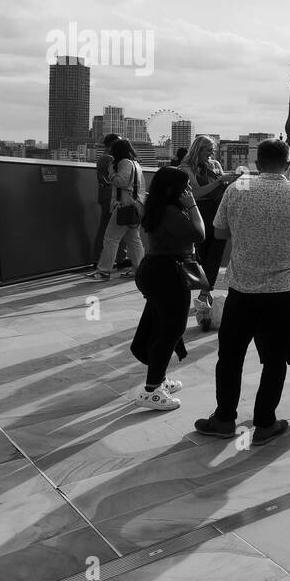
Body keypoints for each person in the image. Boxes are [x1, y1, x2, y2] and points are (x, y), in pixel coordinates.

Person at [193, 139, 290, 445]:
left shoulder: (238, 189)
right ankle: (265, 423)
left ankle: (225, 418)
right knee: (275, 358)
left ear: (257, 163)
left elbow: (220, 232)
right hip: (284, 290)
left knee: (230, 356)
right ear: (289, 164)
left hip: (243, 289)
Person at [129, 167, 205, 411]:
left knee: (160, 324)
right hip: (166, 273)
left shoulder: (157, 207)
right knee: (172, 329)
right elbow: (199, 234)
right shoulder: (171, 212)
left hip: (155, 270)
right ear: (174, 189)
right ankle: (152, 390)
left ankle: (158, 379)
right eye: (185, 186)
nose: (189, 190)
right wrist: (193, 206)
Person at [179, 135, 236, 329]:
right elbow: (195, 193)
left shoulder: (215, 164)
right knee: (203, 255)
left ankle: (205, 293)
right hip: (201, 213)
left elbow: (223, 188)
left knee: (216, 253)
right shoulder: (186, 168)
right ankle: (205, 293)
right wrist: (220, 180)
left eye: (213, 150)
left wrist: (228, 181)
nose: (212, 154)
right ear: (198, 149)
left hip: (219, 212)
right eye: (208, 150)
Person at [89, 139, 145, 279]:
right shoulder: (135, 164)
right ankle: (139, 269)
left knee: (110, 239)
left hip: (123, 205)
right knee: (133, 239)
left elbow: (121, 181)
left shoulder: (124, 163)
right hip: (134, 205)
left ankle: (103, 270)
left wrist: (111, 173)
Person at [92, 134, 124, 267]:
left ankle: (101, 258)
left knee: (108, 228)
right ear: (113, 144)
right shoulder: (109, 159)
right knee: (109, 229)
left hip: (107, 197)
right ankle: (105, 259)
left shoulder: (104, 158)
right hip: (110, 197)